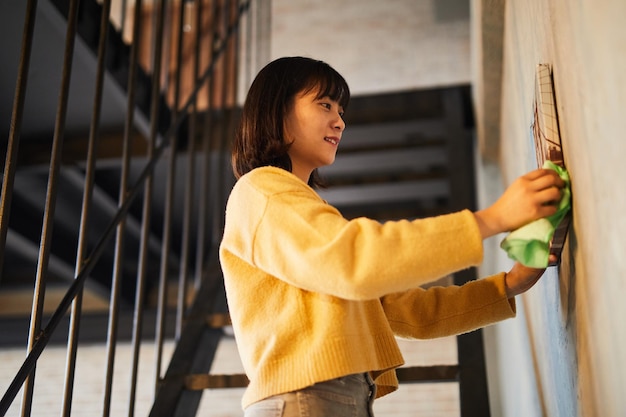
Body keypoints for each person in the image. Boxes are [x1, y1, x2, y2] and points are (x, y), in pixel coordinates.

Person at [219, 56, 565, 417]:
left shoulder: (296, 209)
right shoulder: (261, 190)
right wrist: (492, 219)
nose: (340, 121)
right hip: (306, 400)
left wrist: (507, 285)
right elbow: (354, 263)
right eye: (324, 104)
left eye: (341, 109)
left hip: (321, 399)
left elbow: (404, 310)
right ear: (277, 110)